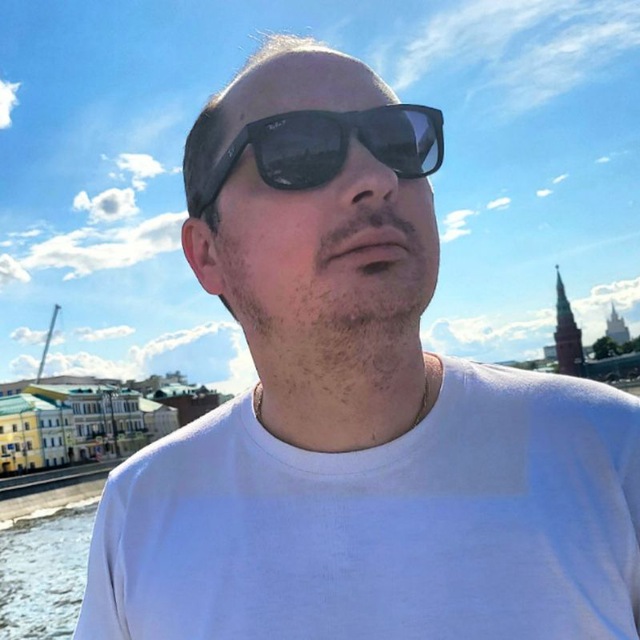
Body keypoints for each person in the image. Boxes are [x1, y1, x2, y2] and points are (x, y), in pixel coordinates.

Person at [74, 35, 640, 639]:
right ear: (207, 254)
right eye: (298, 150)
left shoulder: (616, 450)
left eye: (398, 142)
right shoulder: (141, 511)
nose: (377, 176)